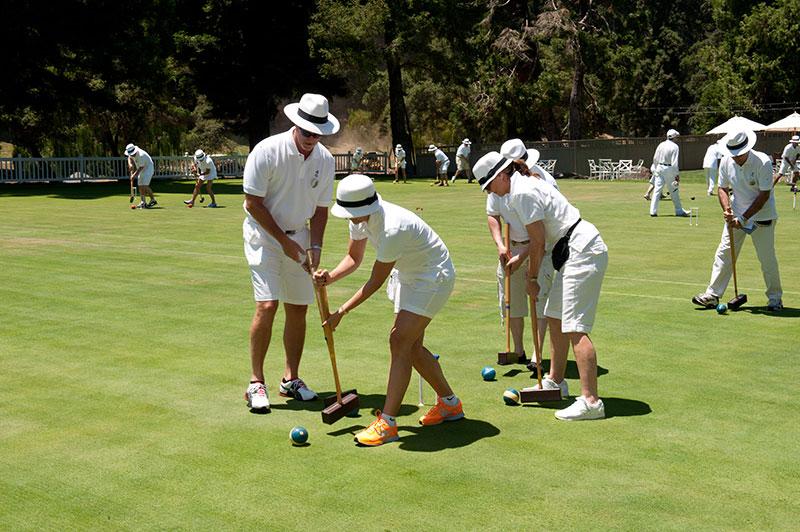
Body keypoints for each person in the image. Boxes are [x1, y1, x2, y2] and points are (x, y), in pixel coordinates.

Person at [313, 174, 462, 446]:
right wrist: (330, 277)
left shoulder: (393, 227)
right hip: (408, 273)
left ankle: (388, 423)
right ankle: (450, 404)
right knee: (411, 346)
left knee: (399, 341)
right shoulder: (359, 218)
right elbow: (353, 258)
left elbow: (374, 282)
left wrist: (341, 312)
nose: (348, 218)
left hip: (432, 276)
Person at [475, 151, 608, 421]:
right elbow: (534, 242)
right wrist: (518, 259)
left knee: (574, 326)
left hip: (581, 250)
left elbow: (537, 242)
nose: (491, 192)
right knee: (555, 316)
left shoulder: (521, 193)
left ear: (501, 175)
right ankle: (555, 381)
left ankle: (591, 401)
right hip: (569, 250)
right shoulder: (517, 189)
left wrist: (532, 278)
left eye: (489, 186)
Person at [241, 93, 339, 411]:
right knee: (268, 305)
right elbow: (252, 204)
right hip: (264, 239)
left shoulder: (324, 161)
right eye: (308, 131)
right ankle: (256, 382)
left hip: (301, 238)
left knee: (298, 309)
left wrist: (316, 246)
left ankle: (290, 379)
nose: (312, 138)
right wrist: (286, 243)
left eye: (318, 133)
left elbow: (321, 211)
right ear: (295, 124)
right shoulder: (267, 152)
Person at [692, 130, 784, 311]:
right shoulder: (727, 160)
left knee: (767, 260)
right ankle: (712, 295)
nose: (735, 158)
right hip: (736, 214)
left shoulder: (762, 162)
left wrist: (743, 218)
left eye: (738, 155)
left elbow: (764, 195)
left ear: (746, 149)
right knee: (724, 253)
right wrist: (727, 211)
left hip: (761, 216)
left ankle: (775, 299)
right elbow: (722, 188)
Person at [649, 129, 689, 217]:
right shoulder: (675, 147)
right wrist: (676, 175)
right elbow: (674, 163)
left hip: (659, 168)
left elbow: (655, 158)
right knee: (674, 190)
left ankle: (653, 211)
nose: (677, 138)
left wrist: (656, 168)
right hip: (669, 169)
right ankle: (679, 211)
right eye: (676, 137)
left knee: (657, 190)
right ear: (674, 137)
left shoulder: (661, 144)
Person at [125, 144, 157, 209]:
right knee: (140, 185)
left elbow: (141, 167)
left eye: (132, 154)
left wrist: (134, 175)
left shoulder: (141, 155)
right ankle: (143, 202)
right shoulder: (131, 154)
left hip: (148, 169)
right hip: (141, 169)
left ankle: (153, 200)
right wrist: (130, 164)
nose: (132, 155)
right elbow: (129, 157)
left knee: (144, 186)